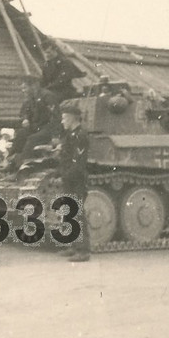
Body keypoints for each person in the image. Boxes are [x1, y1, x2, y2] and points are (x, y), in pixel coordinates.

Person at [57, 99, 92, 263]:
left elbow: (78, 163)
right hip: (68, 178)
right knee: (69, 212)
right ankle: (73, 245)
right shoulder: (70, 135)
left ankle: (83, 250)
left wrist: (66, 175)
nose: (62, 120)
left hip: (75, 179)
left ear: (72, 118)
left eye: (64, 117)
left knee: (77, 213)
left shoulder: (80, 135)